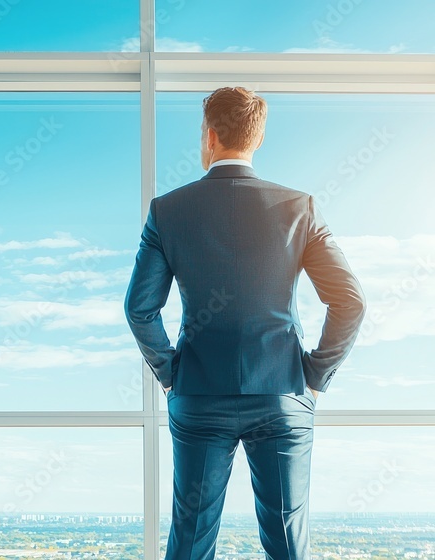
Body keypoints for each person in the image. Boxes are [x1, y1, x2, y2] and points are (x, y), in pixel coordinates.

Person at [124, 86, 367, 559]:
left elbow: (140, 308)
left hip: (198, 396)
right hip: (282, 395)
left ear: (210, 137)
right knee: (287, 541)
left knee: (190, 536)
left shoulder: (167, 211)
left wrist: (172, 374)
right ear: (255, 140)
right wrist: (313, 376)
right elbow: (351, 303)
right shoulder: (300, 208)